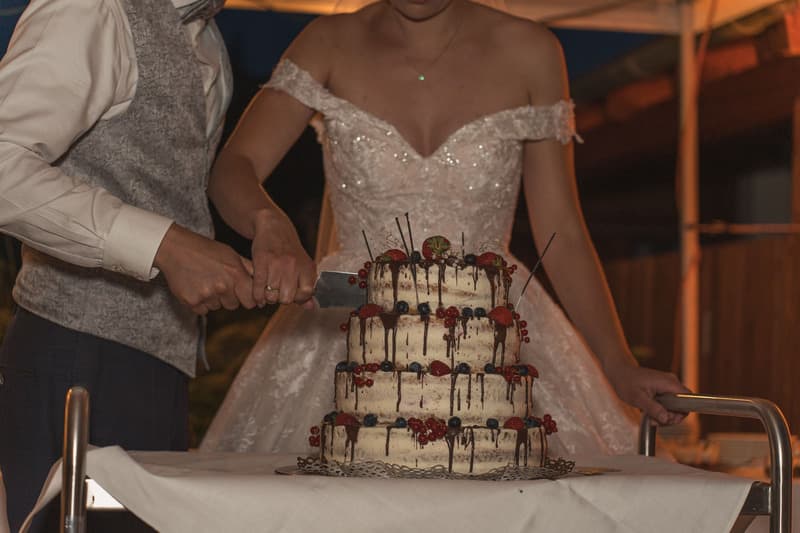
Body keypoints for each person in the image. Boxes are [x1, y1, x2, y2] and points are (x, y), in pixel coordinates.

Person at [201, 0, 690, 458]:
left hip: (495, 331)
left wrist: (617, 363)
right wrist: (269, 223)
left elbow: (561, 232)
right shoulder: (327, 42)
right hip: (348, 318)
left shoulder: (532, 52)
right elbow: (233, 168)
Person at [0, 0, 314, 531]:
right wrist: (165, 246)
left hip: (161, 368)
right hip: (76, 356)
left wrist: (254, 231)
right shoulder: (92, 9)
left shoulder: (207, 37)